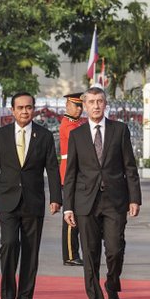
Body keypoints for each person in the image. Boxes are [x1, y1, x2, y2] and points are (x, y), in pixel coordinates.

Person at [63, 86, 143, 299]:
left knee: (115, 249)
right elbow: (71, 173)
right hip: (85, 202)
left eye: (100, 101)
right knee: (89, 255)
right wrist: (68, 206)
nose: (96, 105)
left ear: (105, 104)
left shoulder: (120, 130)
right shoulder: (77, 135)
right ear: (85, 106)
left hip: (115, 201)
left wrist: (134, 198)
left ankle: (112, 284)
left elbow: (130, 167)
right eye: (91, 102)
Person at [0, 92, 62, 299]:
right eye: (20, 108)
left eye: (28, 107)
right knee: (8, 245)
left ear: (33, 109)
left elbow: (52, 169)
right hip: (8, 201)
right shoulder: (1, 135)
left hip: (33, 202)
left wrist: (56, 198)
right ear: (12, 110)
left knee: (30, 251)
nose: (24, 111)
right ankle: (7, 296)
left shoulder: (44, 136)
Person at [59, 92, 86, 266]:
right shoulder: (68, 125)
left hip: (79, 173)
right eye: (76, 105)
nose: (79, 109)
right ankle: (70, 254)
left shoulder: (78, 124)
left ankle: (74, 252)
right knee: (71, 215)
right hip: (70, 173)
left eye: (80, 105)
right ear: (68, 105)